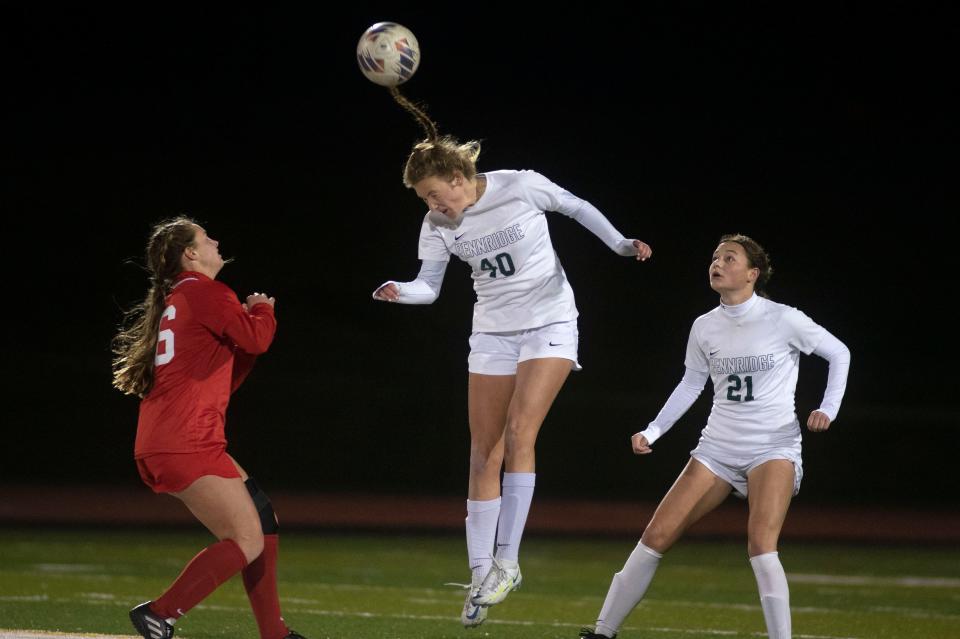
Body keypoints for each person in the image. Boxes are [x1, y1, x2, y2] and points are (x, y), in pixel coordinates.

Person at [372, 89, 653, 628]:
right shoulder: (436, 225)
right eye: (425, 201)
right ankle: (481, 574)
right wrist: (398, 290)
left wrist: (619, 243)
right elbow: (428, 287)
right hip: (493, 332)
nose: (434, 207)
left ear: (458, 178)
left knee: (522, 432)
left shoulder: (519, 185)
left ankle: (508, 562)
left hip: (549, 321)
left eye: (436, 195)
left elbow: (574, 207)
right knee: (484, 452)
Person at [578, 234, 851, 639]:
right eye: (714, 257)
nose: (717, 263)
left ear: (752, 274)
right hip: (717, 448)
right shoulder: (704, 326)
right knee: (655, 536)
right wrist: (654, 429)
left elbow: (839, 353)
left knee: (760, 545)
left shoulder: (783, 318)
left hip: (772, 446)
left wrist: (828, 408)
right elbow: (691, 384)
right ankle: (603, 632)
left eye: (729, 257)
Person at [111, 216, 306, 639]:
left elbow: (228, 372)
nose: (215, 240)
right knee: (246, 539)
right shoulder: (207, 292)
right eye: (205, 237)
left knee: (262, 518)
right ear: (190, 253)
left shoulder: (184, 297)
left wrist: (248, 320)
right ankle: (160, 613)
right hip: (185, 440)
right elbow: (257, 340)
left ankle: (275, 634)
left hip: (177, 437)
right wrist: (263, 310)